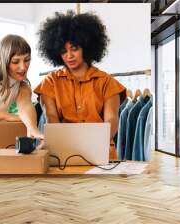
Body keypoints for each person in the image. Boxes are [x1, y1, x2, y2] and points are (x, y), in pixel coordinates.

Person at [34, 11, 126, 160]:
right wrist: (61, 144)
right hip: (64, 152)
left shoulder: (107, 82)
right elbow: (51, 117)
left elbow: (112, 120)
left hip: (101, 152)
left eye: (74, 48)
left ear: (86, 47)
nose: (69, 56)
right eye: (63, 51)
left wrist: (94, 143)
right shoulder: (50, 82)